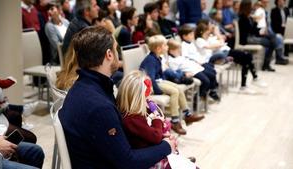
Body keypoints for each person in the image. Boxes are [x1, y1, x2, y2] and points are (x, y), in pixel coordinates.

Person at [59, 26, 176, 168]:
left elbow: (117, 142)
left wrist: (155, 141)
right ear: (109, 54)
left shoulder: (82, 87)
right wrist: (166, 146)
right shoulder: (99, 106)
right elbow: (128, 162)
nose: (118, 54)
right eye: (116, 49)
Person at [117, 70, 198, 169]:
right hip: (149, 160)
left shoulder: (132, 115)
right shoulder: (133, 119)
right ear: (138, 98)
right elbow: (155, 136)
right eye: (146, 97)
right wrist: (157, 121)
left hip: (148, 149)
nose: (149, 99)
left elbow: (146, 133)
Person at [140, 35, 205, 135]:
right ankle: (175, 121)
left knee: (179, 88)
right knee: (174, 91)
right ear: (158, 48)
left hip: (159, 81)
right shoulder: (150, 60)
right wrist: (158, 91)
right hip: (153, 84)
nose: (167, 47)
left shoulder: (157, 57)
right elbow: (150, 79)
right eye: (165, 45)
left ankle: (187, 115)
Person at [179, 24, 220, 101]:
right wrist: (196, 62)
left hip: (199, 63)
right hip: (193, 66)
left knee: (212, 71)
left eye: (193, 34)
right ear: (184, 36)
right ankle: (200, 96)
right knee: (207, 78)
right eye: (190, 34)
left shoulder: (191, 43)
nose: (193, 36)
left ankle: (211, 90)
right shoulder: (183, 45)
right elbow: (185, 58)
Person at [238, 0, 276, 71]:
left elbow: (252, 30)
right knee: (271, 43)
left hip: (250, 36)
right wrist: (256, 22)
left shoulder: (247, 16)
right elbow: (250, 30)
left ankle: (266, 64)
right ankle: (266, 64)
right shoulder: (243, 17)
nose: (251, 7)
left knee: (272, 39)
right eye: (250, 6)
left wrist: (259, 29)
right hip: (247, 39)